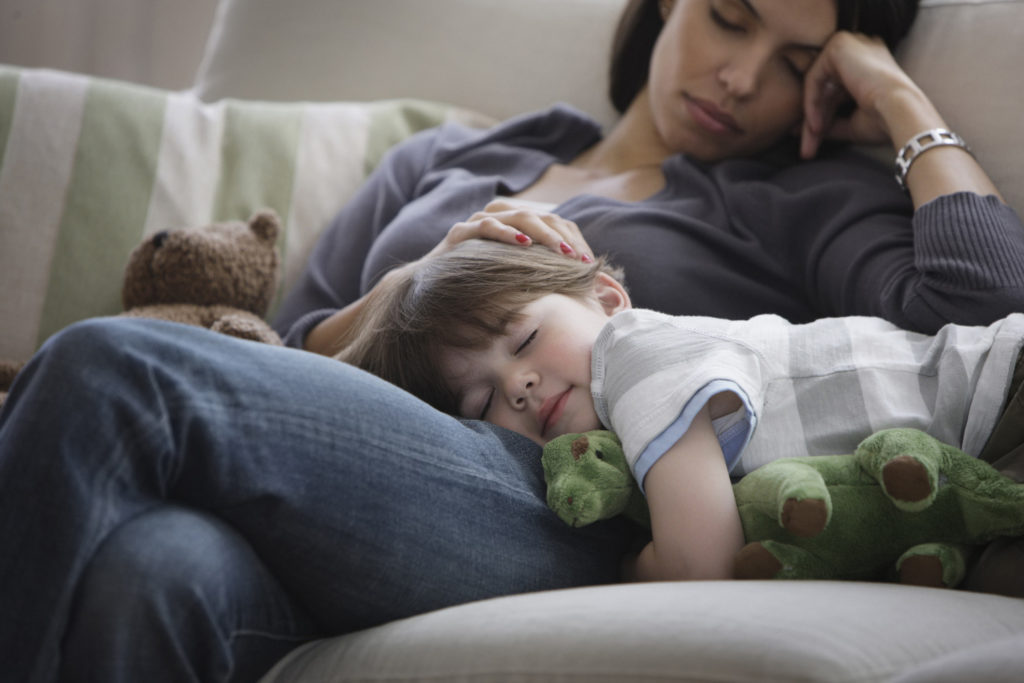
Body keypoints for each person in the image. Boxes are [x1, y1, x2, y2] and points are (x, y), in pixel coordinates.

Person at [2, 0, 1023, 681]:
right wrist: (413, 280)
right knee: (155, 568)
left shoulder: (786, 198)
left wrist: (891, 90)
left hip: (553, 501)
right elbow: (271, 366)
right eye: (729, 17)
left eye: (796, 63)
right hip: (319, 496)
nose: (742, 75)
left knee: (111, 364)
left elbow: (986, 301)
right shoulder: (452, 158)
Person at [337, 237, 1024, 584]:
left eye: (524, 339)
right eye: (481, 399)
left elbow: (703, 561)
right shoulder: (619, 453)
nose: (518, 383)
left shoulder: (634, 354)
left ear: (605, 299)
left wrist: (633, 565)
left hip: (999, 394)